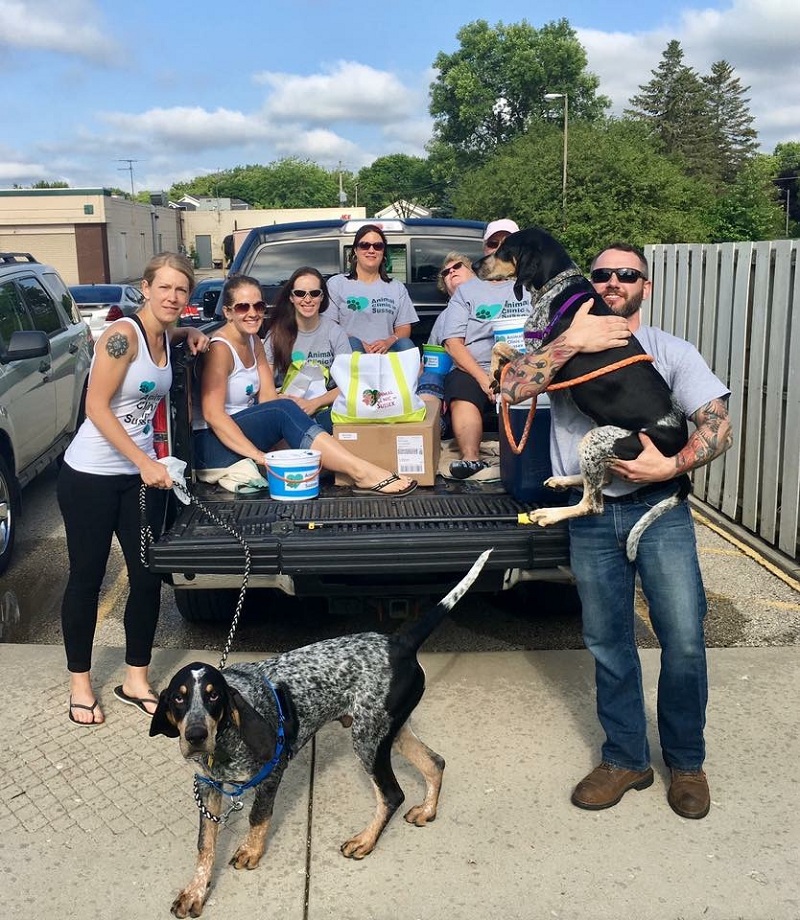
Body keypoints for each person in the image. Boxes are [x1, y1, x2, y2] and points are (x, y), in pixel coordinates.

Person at [501, 242, 733, 819]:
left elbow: (717, 427)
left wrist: (670, 466)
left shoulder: (668, 350)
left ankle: (687, 763)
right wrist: (573, 342)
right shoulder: (558, 340)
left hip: (662, 509)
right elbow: (511, 389)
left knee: (681, 640)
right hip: (595, 515)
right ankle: (625, 758)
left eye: (626, 275)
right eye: (601, 274)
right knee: (608, 642)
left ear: (644, 287)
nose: (612, 283)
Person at [59, 252, 209, 725]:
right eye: (163, 287)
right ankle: (80, 683)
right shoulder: (122, 336)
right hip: (90, 476)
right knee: (88, 577)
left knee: (146, 577)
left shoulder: (165, 334)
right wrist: (144, 460)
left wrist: (191, 332)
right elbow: (96, 406)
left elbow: (172, 332)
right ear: (145, 288)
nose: (172, 296)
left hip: (137, 479)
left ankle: (135, 679)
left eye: (181, 289)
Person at [193, 274, 417, 495]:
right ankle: (362, 473)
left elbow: (268, 398)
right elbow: (214, 416)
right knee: (285, 411)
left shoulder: (253, 340)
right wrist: (260, 456)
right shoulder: (220, 349)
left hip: (245, 432)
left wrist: (300, 409)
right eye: (243, 307)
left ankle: (355, 467)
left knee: (328, 417)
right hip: (214, 446)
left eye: (259, 306)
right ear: (228, 312)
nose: (252, 314)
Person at [439, 218, 531, 478]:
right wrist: (484, 379)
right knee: (460, 387)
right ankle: (471, 459)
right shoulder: (466, 291)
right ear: (485, 249)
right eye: (494, 243)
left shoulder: (533, 287)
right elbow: (452, 343)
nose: (500, 248)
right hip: (475, 369)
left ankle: (532, 458)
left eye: (508, 243)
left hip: (526, 367)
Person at [263, 267, 351, 434]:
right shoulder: (275, 334)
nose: (307, 299)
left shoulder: (335, 332)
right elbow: (264, 382)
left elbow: (348, 384)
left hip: (325, 409)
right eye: (300, 293)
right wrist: (278, 399)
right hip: (285, 409)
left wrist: (315, 403)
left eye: (314, 293)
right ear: (291, 297)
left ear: (322, 297)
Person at [326, 223, 419, 353]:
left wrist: (388, 342)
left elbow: (404, 328)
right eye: (364, 245)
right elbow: (329, 326)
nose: (371, 250)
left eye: (378, 246)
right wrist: (358, 344)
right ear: (355, 250)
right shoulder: (336, 284)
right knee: (352, 344)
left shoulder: (397, 288)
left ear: (383, 253)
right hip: (349, 355)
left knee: (405, 344)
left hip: (387, 355)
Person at [418, 251, 477, 413]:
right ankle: (432, 425)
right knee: (429, 376)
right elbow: (429, 358)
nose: (451, 271)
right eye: (446, 272)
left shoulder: (487, 303)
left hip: (478, 369)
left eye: (457, 266)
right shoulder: (443, 318)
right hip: (445, 375)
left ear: (473, 272)